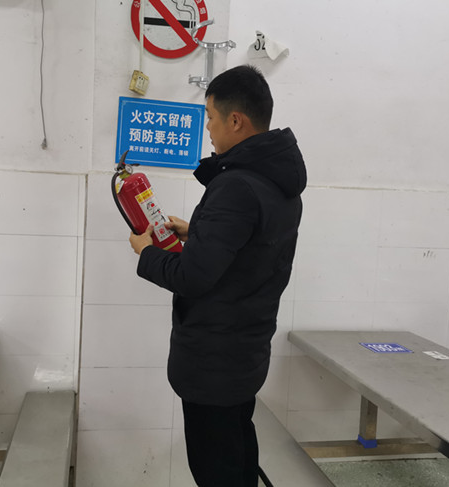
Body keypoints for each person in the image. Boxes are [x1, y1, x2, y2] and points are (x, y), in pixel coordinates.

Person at [128, 64, 307, 487]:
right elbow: (253, 250)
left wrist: (146, 253)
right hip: (244, 352)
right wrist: (198, 232)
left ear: (235, 120)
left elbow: (192, 277)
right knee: (238, 450)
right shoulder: (279, 184)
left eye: (210, 117)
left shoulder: (236, 186)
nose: (207, 127)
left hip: (214, 362)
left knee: (215, 469)